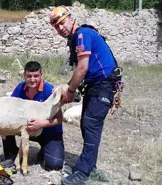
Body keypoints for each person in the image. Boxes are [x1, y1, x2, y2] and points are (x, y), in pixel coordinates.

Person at [49, 6, 122, 185]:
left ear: (70, 18)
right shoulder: (76, 38)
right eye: (56, 26)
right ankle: (90, 165)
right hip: (95, 86)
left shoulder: (82, 35)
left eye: (62, 23)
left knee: (91, 125)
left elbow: (82, 68)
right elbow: (80, 72)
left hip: (103, 85)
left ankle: (83, 173)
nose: (60, 28)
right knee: (86, 124)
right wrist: (68, 87)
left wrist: (70, 91)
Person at [0, 61, 65, 171]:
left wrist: (42, 123)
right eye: (29, 76)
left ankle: (44, 152)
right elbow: (8, 106)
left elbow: (59, 119)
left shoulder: (49, 91)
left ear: (41, 75)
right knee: (6, 120)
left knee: (54, 164)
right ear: (24, 75)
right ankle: (11, 155)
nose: (32, 79)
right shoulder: (20, 88)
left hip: (48, 132)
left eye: (36, 76)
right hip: (25, 129)